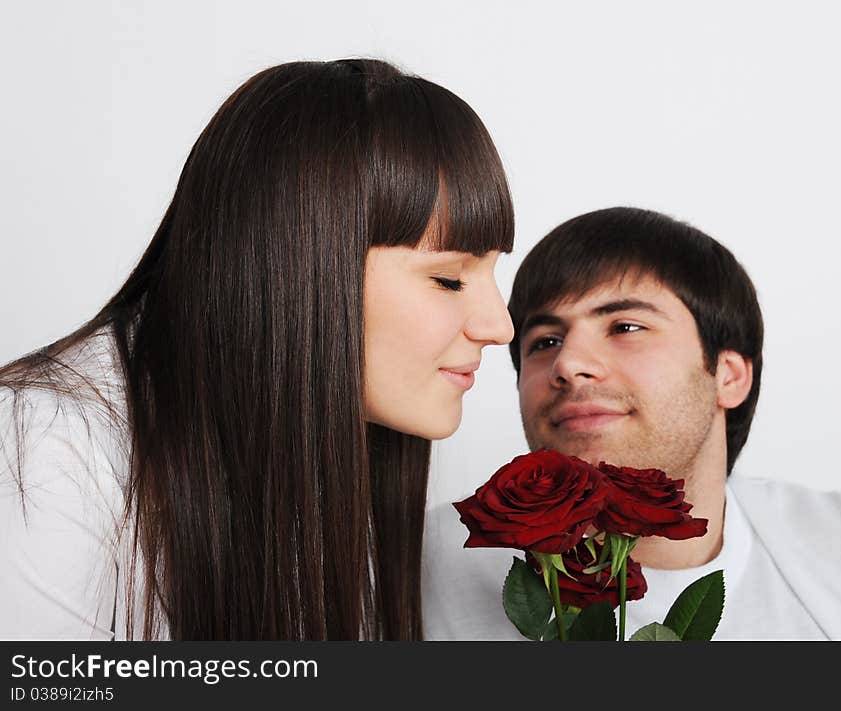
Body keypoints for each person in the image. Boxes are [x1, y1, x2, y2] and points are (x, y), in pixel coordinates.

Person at [0, 59, 515, 640]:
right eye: (448, 279)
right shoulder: (42, 457)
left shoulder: (327, 443)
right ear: (297, 266)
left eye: (493, 273)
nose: (499, 327)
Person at [422, 206, 841, 640]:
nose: (568, 363)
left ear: (729, 376)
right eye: (545, 340)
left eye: (625, 328)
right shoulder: (412, 568)